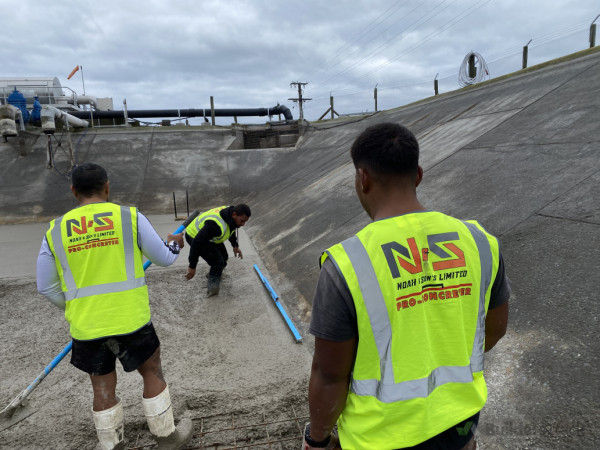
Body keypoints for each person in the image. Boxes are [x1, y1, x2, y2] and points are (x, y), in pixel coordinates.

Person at [304, 123, 510, 450]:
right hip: (459, 425)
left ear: (362, 178)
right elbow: (494, 331)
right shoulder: (479, 242)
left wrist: (317, 439)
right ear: (418, 175)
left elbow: (330, 376)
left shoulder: (347, 264)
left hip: (379, 438)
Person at [36, 163, 194, 450]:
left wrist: (75, 309)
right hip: (132, 320)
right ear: (107, 187)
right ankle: (167, 439)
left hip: (88, 326)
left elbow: (46, 286)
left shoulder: (55, 231)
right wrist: (175, 244)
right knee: (152, 373)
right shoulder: (129, 217)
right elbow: (164, 258)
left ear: (73, 191)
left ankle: (111, 446)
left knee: (102, 387)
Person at [184, 204, 251, 296]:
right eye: (242, 221)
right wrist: (192, 266)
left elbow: (231, 228)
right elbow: (197, 243)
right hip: (194, 235)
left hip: (209, 236)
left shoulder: (230, 215)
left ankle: (213, 274)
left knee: (224, 257)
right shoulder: (215, 225)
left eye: (245, 221)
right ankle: (213, 288)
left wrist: (235, 245)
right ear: (234, 214)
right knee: (217, 262)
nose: (243, 224)